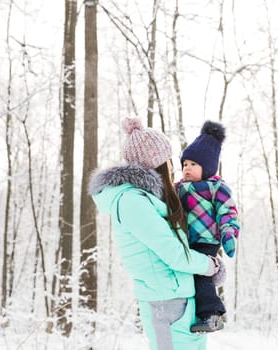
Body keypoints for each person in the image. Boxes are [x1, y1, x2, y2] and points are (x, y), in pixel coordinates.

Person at [89, 118, 224, 350]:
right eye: (169, 161)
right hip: (167, 302)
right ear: (159, 163)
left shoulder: (150, 200)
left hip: (180, 299)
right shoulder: (132, 202)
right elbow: (173, 254)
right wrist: (210, 266)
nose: (174, 167)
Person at [175, 121, 240, 333]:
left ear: (208, 167)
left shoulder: (216, 188)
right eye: (185, 164)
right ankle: (193, 313)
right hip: (185, 241)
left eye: (193, 164)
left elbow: (228, 213)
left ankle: (212, 315)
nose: (187, 168)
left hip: (206, 240)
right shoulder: (179, 188)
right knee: (188, 278)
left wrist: (228, 236)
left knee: (201, 276)